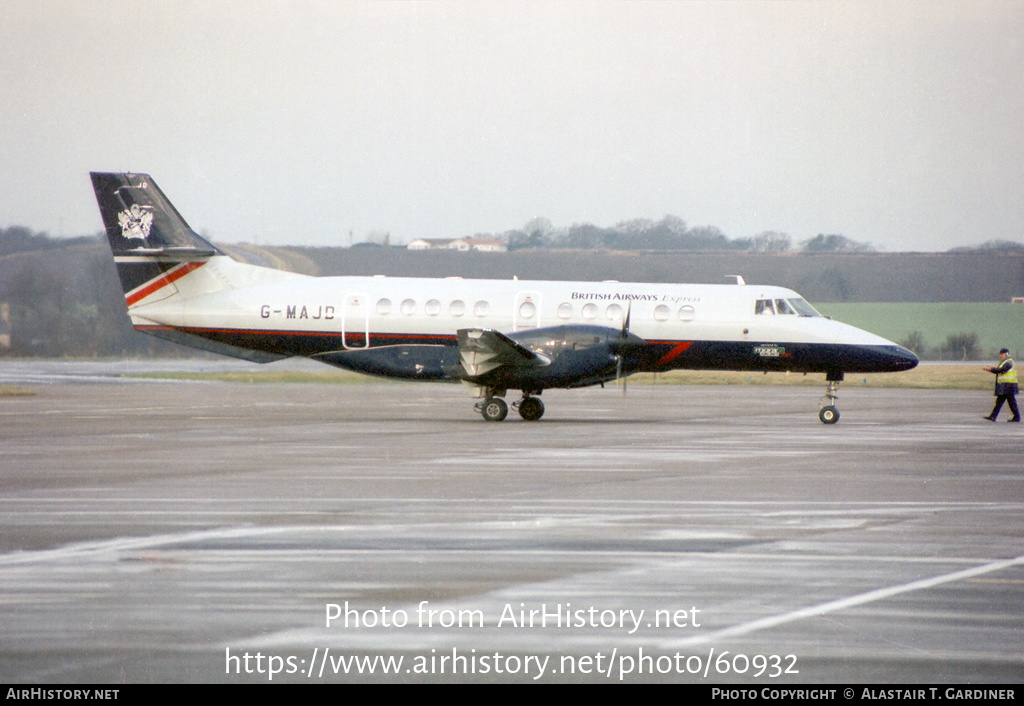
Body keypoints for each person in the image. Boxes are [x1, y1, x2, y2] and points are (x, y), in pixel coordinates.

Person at [983, 348, 1020, 422]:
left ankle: (994, 416)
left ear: (1006, 354)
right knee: (1007, 401)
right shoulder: (1005, 362)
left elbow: (1002, 370)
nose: (1000, 356)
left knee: (1004, 401)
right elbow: (999, 371)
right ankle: (1015, 417)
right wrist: (991, 369)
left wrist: (991, 369)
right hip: (1006, 385)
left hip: (1008, 385)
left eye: (1002, 354)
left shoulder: (1008, 362)